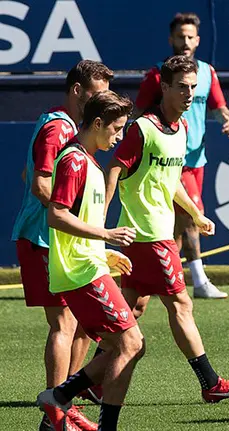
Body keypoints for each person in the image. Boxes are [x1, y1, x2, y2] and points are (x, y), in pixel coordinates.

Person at [106, 55, 229, 403]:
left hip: (151, 234)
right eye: (182, 87)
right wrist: (99, 221)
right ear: (165, 87)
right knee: (181, 304)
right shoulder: (144, 128)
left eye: (193, 88)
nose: (189, 94)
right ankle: (211, 383)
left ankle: (85, 383)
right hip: (149, 235)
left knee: (132, 309)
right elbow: (114, 166)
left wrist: (194, 214)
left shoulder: (183, 128)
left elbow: (170, 181)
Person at [11, 60, 113, 430]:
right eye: (97, 95)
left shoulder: (73, 131)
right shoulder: (58, 128)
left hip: (62, 240)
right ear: (77, 91)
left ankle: (64, 401)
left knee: (85, 324)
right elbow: (38, 184)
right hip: (44, 239)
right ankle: (56, 411)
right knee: (64, 324)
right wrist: (75, 220)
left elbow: (27, 173)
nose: (103, 103)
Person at [36, 90, 145, 431]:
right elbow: (56, 215)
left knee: (122, 347)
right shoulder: (74, 161)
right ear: (97, 123)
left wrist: (104, 250)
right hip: (81, 272)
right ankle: (69, 403)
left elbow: (81, 220)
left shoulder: (89, 161)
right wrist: (106, 236)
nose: (120, 136)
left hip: (89, 265)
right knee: (130, 344)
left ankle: (58, 399)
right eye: (116, 128)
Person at [135, 12, 229, 299]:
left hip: (196, 158)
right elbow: (138, 112)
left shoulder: (207, 72)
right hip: (166, 158)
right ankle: (200, 282)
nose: (185, 41)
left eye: (190, 36)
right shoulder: (157, 75)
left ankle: (160, 281)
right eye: (180, 36)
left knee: (179, 225)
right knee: (192, 215)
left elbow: (219, 107)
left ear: (198, 40)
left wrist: (228, 119)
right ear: (171, 39)